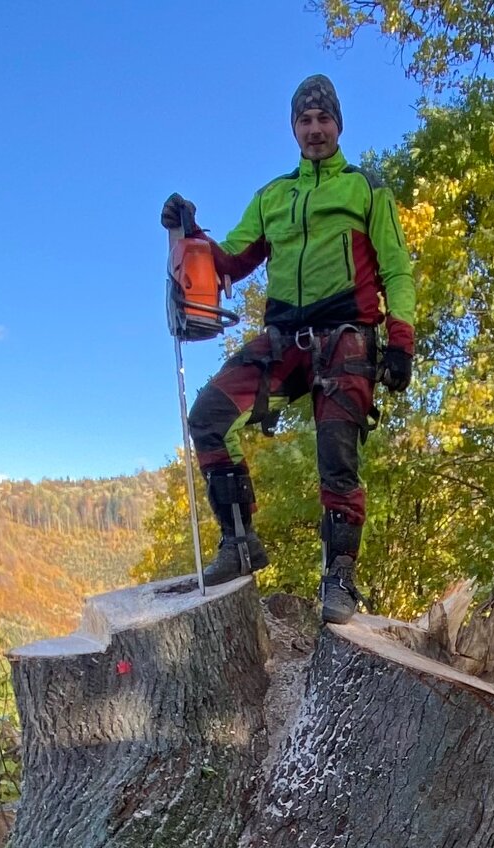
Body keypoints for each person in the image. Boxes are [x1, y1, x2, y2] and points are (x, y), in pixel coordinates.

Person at [161, 74, 415, 624]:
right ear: (294, 129)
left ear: (338, 125)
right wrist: (186, 231)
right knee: (208, 416)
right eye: (306, 120)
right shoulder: (273, 197)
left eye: (324, 119)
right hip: (284, 341)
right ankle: (239, 541)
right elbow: (228, 260)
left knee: (336, 456)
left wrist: (400, 340)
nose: (316, 128)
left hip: (346, 335)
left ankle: (340, 577)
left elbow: (396, 267)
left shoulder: (364, 188)